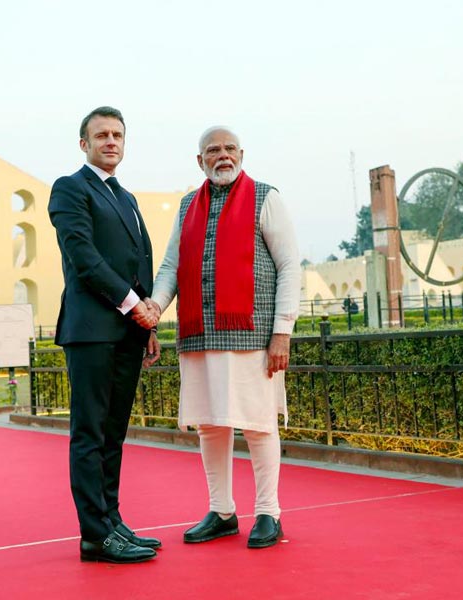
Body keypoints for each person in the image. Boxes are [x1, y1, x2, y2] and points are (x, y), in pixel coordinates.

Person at [144, 126, 300, 549]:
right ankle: (222, 511)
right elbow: (171, 268)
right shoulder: (186, 207)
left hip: (253, 335)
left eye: (230, 148)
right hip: (199, 336)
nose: (223, 156)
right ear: (200, 161)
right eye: (213, 150)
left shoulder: (266, 198)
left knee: (259, 424)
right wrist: (156, 307)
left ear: (242, 153)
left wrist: (282, 332)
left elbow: (289, 266)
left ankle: (269, 513)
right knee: (210, 425)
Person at [48, 106, 161, 564]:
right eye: (101, 135)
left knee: (113, 433)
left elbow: (137, 262)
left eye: (117, 134)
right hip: (92, 331)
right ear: (84, 143)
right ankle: (94, 535)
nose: (110, 141)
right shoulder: (70, 189)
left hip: (128, 333)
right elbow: (84, 258)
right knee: (90, 433)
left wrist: (147, 322)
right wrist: (137, 308)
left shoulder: (127, 197)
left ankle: (112, 521)